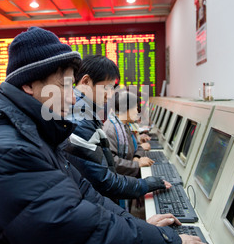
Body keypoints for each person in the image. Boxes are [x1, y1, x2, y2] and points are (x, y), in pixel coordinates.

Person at [0, 27, 211, 244]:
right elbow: (76, 229)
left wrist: (140, 228)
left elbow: (87, 197)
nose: (72, 99)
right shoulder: (8, 150)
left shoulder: (35, 134)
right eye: (64, 86)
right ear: (28, 85)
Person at [62, 55, 170, 201]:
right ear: (86, 81)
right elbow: (103, 181)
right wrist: (147, 184)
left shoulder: (85, 114)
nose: (110, 95)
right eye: (107, 88)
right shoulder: (80, 118)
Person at [103, 90, 155, 178]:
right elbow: (112, 162)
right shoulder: (110, 130)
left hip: (129, 174)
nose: (137, 112)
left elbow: (138, 146)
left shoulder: (126, 126)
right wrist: (136, 164)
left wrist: (136, 157)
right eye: (135, 108)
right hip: (120, 179)